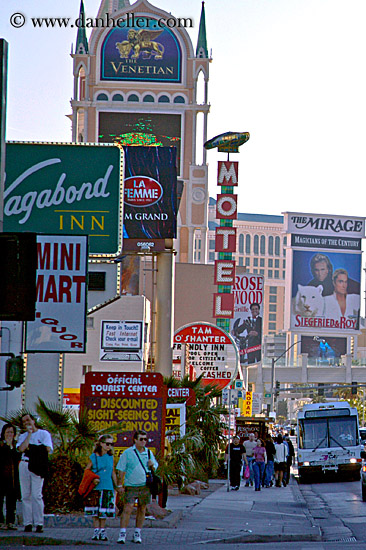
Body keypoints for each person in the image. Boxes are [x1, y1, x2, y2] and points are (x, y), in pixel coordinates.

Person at [116, 430, 158, 544]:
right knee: (128, 508)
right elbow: (121, 469)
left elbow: (155, 468)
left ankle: (137, 533)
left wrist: (152, 465)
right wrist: (120, 484)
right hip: (131, 485)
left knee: (142, 508)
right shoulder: (128, 453)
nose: (144, 441)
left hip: (145, 485)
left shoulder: (149, 453)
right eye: (141, 439)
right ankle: (122, 533)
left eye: (145, 439)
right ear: (135, 440)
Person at [17, 413, 53, 533]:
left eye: (28, 420)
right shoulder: (23, 436)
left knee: (36, 495)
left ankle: (39, 523)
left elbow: (47, 448)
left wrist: (31, 448)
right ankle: (27, 523)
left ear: (33, 420)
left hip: (37, 465)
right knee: (25, 495)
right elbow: (21, 448)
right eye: (24, 421)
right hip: (24, 463)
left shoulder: (43, 434)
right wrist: (29, 436)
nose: (27, 422)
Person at [84, 435, 118, 541]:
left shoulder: (110, 457)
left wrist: (117, 486)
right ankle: (96, 531)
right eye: (107, 444)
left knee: (103, 511)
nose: (109, 446)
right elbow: (87, 470)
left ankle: (102, 531)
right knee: (95, 510)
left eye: (111, 444)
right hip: (96, 487)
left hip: (107, 486)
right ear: (101, 444)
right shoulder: (94, 456)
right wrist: (92, 479)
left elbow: (112, 472)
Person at [0, 424, 21, 530]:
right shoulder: (1, 445)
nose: (9, 434)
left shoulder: (16, 446)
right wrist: (7, 446)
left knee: (11, 501)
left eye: (11, 432)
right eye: (7, 432)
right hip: (2, 476)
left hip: (13, 478)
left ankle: (10, 521)